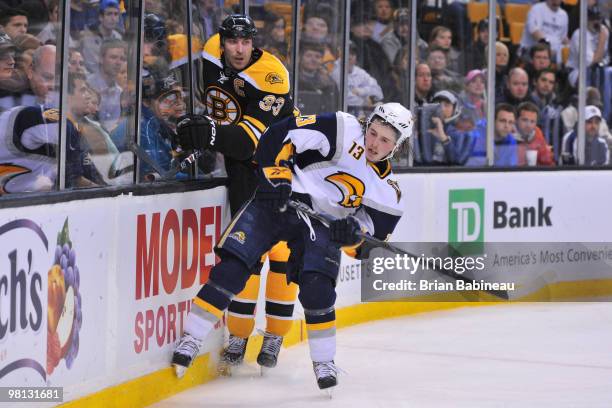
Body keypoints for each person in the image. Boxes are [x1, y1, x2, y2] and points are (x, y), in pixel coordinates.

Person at [171, 102, 413, 390]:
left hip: (321, 224)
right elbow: (280, 134)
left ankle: (324, 361)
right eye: (372, 133)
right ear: (367, 124)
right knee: (233, 269)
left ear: (397, 146)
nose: (373, 143)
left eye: (384, 140)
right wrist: (277, 179)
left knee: (317, 289)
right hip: (280, 200)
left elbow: (369, 246)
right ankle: (191, 338)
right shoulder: (342, 127)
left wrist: (351, 234)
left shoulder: (389, 191)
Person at [175, 14, 300, 371]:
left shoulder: (272, 76)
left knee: (281, 254)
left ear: (254, 42)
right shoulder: (210, 52)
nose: (239, 49)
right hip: (240, 166)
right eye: (233, 41)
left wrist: (210, 134)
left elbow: (250, 142)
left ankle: (275, 333)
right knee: (246, 250)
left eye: (246, 42)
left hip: (283, 161)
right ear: (223, 41)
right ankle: (240, 334)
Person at [514, 101, 555, 166]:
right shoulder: (507, 132)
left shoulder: (537, 132)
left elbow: (547, 162)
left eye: (532, 121)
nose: (528, 125)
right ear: (516, 120)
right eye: (524, 120)